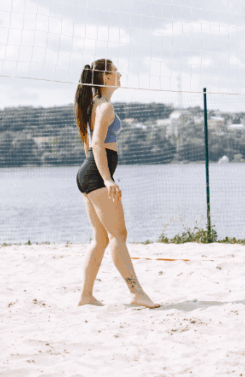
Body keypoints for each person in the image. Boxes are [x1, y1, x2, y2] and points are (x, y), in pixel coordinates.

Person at [74, 59, 158, 308]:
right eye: (115, 71)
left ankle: (86, 296)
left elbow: (89, 145)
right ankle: (136, 293)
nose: (120, 74)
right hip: (97, 175)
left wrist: (98, 174)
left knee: (101, 239)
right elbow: (97, 144)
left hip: (89, 174)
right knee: (118, 234)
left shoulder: (95, 104)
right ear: (105, 77)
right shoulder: (105, 107)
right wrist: (108, 179)